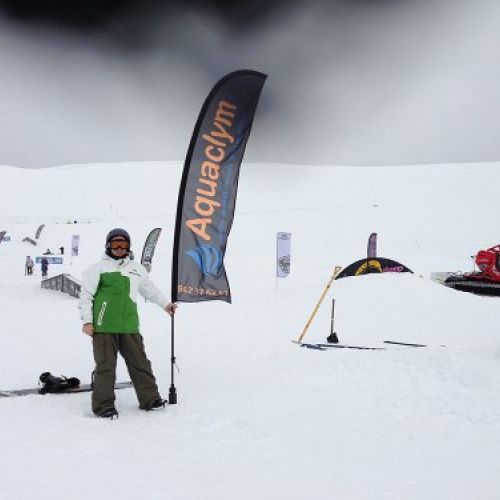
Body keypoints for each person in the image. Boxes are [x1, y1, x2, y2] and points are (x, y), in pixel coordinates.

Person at [78, 228, 177, 419]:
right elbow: (86, 296)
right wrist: (87, 321)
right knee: (106, 367)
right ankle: (103, 406)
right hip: (104, 326)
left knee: (140, 363)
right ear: (108, 245)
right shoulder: (97, 269)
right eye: (115, 244)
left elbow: (149, 290)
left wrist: (165, 304)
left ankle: (150, 399)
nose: (119, 248)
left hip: (129, 326)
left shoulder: (136, 269)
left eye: (123, 245)